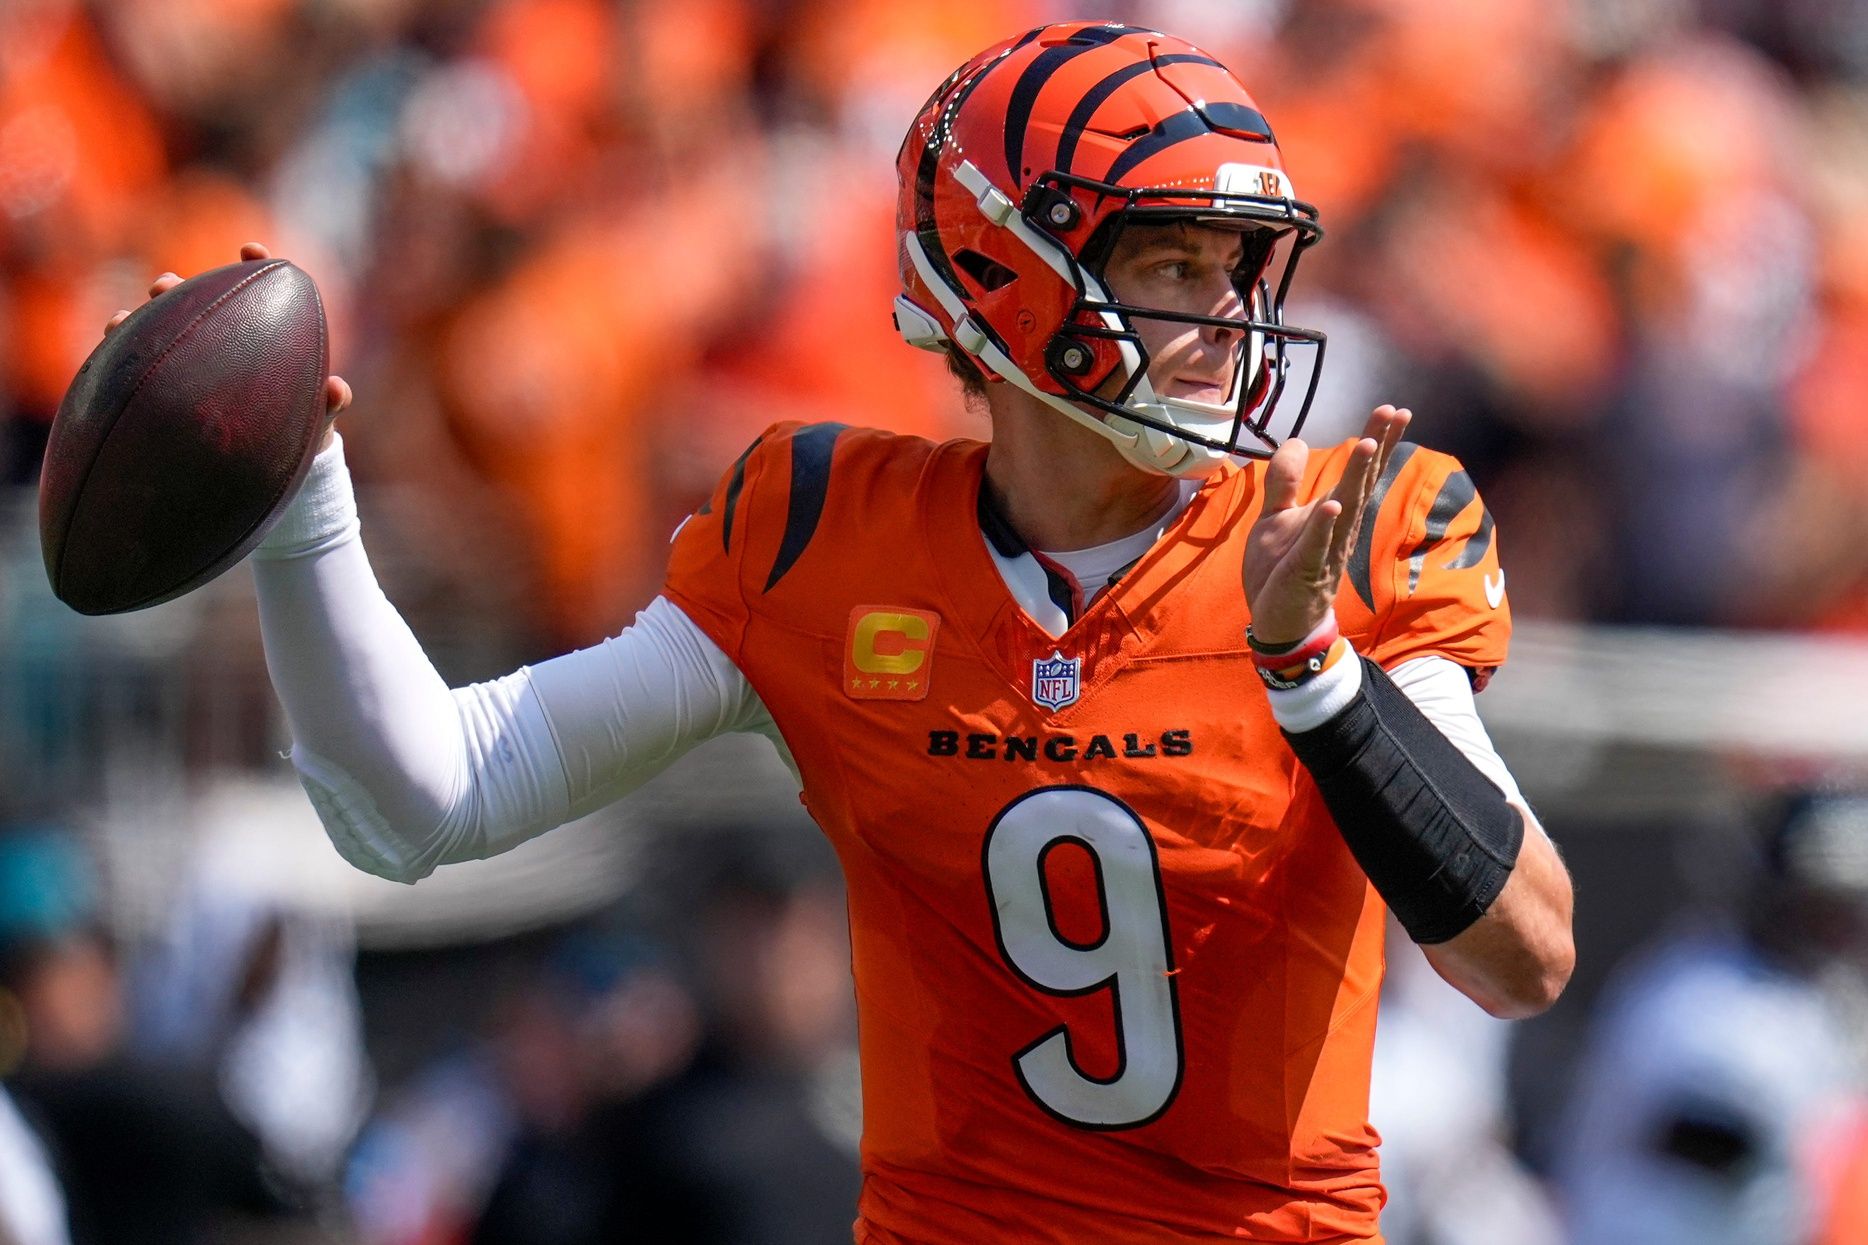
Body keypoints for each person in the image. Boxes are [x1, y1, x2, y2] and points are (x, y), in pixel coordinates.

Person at [110, 21, 1573, 1243]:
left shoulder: (1350, 528)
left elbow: (1524, 956)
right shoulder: (824, 533)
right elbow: (422, 802)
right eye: (1176, 267)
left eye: (1243, 269)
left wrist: (1314, 673)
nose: (1230, 320)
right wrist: (303, 500)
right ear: (1009, 274)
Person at [1552, 789, 1868, 1245]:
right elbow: (1714, 1146)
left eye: (1846, 907)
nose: (1838, 927)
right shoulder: (1702, 996)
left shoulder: (1809, 1001)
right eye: (1821, 906)